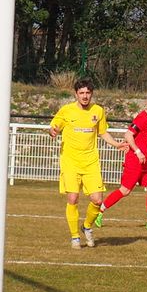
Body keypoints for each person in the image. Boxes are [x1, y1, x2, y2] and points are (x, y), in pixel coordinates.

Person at [48, 78, 127, 249]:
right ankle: (75, 237)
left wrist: (116, 144)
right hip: (70, 162)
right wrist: (53, 131)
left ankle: (87, 227)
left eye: (88, 93)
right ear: (76, 94)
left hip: (91, 162)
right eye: (81, 93)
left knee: (97, 200)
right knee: (73, 197)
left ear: (92, 94)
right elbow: (54, 126)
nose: (85, 96)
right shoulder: (67, 110)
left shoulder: (98, 111)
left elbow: (103, 132)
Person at [95, 92, 147, 231]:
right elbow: (128, 135)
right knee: (125, 190)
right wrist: (138, 151)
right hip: (134, 161)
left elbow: (143, 138)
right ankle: (99, 211)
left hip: (146, 162)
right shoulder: (142, 118)